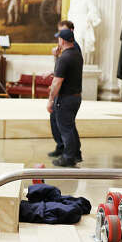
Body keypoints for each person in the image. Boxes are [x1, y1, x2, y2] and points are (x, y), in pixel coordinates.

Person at [48, 28, 84, 167]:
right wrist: (57, 57)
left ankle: (68, 158)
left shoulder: (65, 57)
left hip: (66, 98)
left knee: (66, 129)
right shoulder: (76, 54)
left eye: (59, 39)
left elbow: (57, 81)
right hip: (75, 97)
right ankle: (76, 154)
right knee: (70, 127)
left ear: (62, 41)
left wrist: (51, 100)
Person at [48, 20, 73, 158]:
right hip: (61, 90)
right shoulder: (63, 50)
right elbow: (59, 69)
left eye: (63, 32)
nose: (60, 38)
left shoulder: (72, 50)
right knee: (55, 120)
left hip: (66, 92)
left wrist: (51, 98)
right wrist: (56, 57)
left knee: (65, 125)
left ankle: (69, 154)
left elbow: (64, 71)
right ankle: (61, 146)